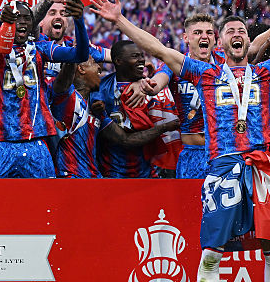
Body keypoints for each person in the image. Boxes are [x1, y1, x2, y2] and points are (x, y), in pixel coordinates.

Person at [89, 0, 270, 282]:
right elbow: (159, 50)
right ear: (221, 41)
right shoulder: (204, 72)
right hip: (222, 167)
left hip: (261, 166)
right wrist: (119, 20)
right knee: (212, 249)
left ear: (247, 39)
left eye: (239, 29)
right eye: (228, 30)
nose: (234, 34)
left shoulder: (264, 71)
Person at [0, 0, 89, 178]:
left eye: (27, 18)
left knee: (44, 201)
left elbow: (79, 54)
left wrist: (80, 21)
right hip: (1, 142)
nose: (22, 22)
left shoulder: (40, 49)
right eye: (16, 17)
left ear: (32, 24)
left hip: (36, 142)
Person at [51, 56, 179, 178]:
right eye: (94, 64)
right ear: (81, 68)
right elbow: (62, 84)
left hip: (92, 176)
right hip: (71, 177)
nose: (100, 69)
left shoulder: (97, 108)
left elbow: (125, 139)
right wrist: (75, 54)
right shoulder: (68, 99)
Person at [145, 11, 217, 180]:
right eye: (198, 33)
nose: (204, 37)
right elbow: (158, 81)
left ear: (215, 38)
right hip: (191, 154)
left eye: (209, 33)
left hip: (221, 154)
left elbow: (251, 53)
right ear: (186, 38)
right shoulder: (174, 64)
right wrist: (151, 85)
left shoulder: (224, 62)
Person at [92, 40, 176, 177]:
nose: (141, 60)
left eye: (142, 55)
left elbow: (172, 63)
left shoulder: (152, 87)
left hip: (149, 172)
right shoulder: (101, 89)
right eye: (135, 56)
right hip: (112, 172)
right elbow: (123, 140)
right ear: (118, 61)